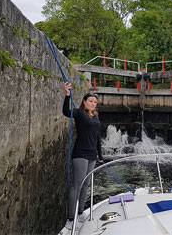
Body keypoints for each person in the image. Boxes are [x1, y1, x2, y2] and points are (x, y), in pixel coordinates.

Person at [62, 82, 103, 230]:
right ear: (85, 102)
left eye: (95, 102)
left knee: (86, 185)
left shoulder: (96, 117)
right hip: (80, 154)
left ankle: (80, 212)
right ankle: (70, 218)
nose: (93, 104)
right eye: (90, 101)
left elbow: (98, 137)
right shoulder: (79, 113)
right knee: (76, 185)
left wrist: (100, 155)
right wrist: (67, 94)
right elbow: (66, 112)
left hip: (92, 155)